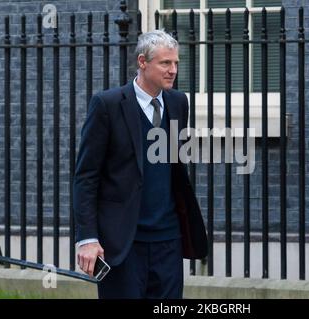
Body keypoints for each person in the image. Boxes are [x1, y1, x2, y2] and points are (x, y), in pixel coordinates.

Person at [73, 29, 207, 299]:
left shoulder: (178, 103)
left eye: (176, 63)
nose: (173, 70)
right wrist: (87, 238)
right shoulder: (107, 105)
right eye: (165, 63)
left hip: (168, 240)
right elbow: (86, 176)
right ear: (143, 62)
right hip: (124, 242)